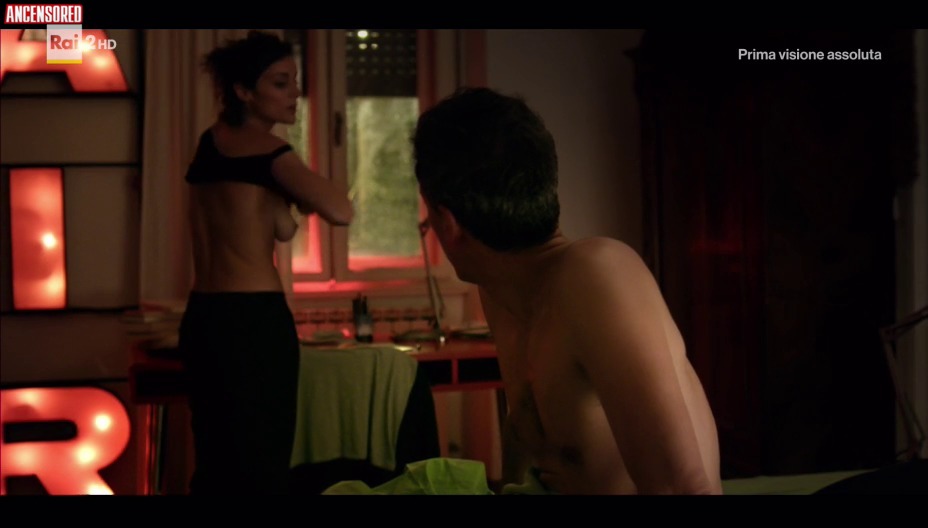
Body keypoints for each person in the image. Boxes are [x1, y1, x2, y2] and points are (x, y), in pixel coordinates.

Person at [412, 87, 722, 495]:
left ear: (447, 223)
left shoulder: (596, 272)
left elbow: (683, 488)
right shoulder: (501, 291)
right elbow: (527, 440)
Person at [178, 30, 353, 495]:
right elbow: (341, 211)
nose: (295, 92)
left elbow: (281, 227)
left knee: (215, 463)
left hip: (204, 317)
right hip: (252, 319)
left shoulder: (211, 143)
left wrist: (287, 197)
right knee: (263, 462)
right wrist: (303, 187)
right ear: (244, 91)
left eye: (294, 81)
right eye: (280, 82)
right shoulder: (271, 152)